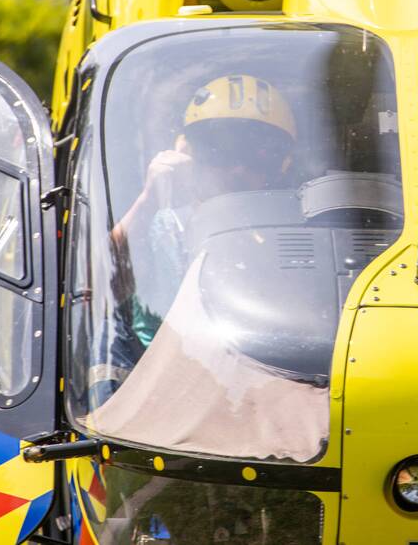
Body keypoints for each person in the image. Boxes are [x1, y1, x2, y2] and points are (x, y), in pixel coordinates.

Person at [91, 74, 297, 405]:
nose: (238, 170)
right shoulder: (162, 224)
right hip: (161, 391)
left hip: (257, 390)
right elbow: (98, 285)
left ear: (282, 164)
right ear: (188, 151)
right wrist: (149, 200)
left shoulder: (293, 233)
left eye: (258, 156)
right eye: (221, 152)